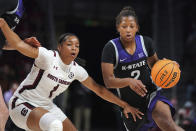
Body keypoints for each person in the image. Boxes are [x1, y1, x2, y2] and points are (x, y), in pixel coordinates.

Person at [0, 18, 144, 131]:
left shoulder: (77, 70)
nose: (74, 47)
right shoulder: (47, 56)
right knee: (55, 125)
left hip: (45, 107)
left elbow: (99, 90)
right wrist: (3, 23)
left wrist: (124, 105)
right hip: (21, 104)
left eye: (77, 46)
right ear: (60, 47)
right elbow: (18, 44)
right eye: (70, 44)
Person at [101, 6, 184, 131]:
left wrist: (169, 66)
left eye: (132, 26)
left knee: (168, 124)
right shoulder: (110, 48)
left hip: (151, 94)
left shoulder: (146, 43)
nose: (128, 30)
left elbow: (155, 66)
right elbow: (108, 81)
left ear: (137, 28)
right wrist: (129, 81)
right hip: (130, 105)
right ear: (118, 28)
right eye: (124, 26)